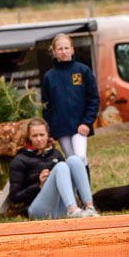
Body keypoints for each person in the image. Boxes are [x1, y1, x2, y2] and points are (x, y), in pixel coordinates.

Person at [9, 117, 100, 218]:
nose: (39, 139)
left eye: (42, 135)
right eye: (35, 136)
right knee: (61, 166)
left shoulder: (55, 154)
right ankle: (73, 210)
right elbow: (15, 197)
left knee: (74, 160)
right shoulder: (20, 159)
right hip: (37, 209)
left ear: (48, 135)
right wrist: (39, 185)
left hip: (60, 208)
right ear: (29, 137)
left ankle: (89, 208)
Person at [41, 33, 100, 176]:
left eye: (67, 48)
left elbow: (93, 99)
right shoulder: (49, 77)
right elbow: (45, 105)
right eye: (60, 49)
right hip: (61, 128)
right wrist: (49, 129)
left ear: (72, 49)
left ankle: (86, 194)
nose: (64, 52)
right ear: (54, 52)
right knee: (71, 160)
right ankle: (77, 195)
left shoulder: (83, 70)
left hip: (80, 125)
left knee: (80, 156)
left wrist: (87, 122)